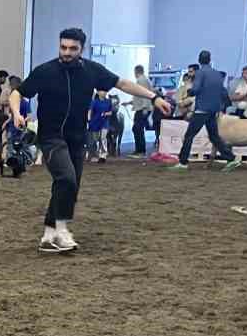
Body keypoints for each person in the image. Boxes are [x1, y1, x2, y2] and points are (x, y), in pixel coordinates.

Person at [11, 27, 170, 253]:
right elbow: (18, 92)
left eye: (72, 48)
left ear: (81, 49)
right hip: (51, 136)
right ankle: (62, 231)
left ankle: (48, 235)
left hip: (78, 137)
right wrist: (17, 113)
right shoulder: (45, 71)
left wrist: (154, 97)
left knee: (69, 186)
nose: (66, 52)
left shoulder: (92, 71)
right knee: (66, 178)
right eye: (63, 47)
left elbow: (122, 84)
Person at [170, 49, 240, 172]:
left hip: (202, 109)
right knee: (214, 137)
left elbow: (196, 89)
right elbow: (223, 92)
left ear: (199, 60)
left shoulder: (200, 73)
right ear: (210, 60)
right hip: (214, 110)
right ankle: (231, 158)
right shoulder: (217, 74)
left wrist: (189, 92)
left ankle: (183, 162)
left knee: (189, 136)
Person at [129, 66, 154, 155]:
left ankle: (140, 150)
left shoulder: (141, 80)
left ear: (136, 72)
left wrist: (145, 108)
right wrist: (130, 102)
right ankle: (139, 150)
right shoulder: (145, 80)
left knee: (137, 128)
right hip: (142, 108)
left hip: (143, 109)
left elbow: (144, 95)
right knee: (137, 129)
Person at [87, 89, 114, 162]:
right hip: (95, 122)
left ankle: (103, 155)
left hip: (104, 122)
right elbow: (89, 111)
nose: (104, 93)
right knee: (95, 139)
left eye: (105, 91)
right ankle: (95, 154)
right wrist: (88, 120)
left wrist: (106, 114)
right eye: (102, 91)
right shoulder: (94, 102)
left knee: (103, 137)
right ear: (98, 93)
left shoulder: (108, 101)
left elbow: (111, 112)